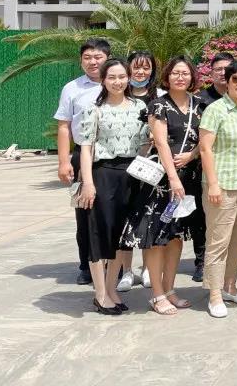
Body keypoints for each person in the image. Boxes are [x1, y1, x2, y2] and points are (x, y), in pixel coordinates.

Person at [120, 56, 203, 315]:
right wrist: (174, 177)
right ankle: (156, 294)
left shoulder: (200, 105)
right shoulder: (158, 105)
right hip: (162, 184)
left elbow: (209, 138)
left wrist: (192, 155)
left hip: (188, 179)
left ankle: (170, 289)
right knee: (156, 238)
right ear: (167, 77)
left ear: (192, 77)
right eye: (176, 73)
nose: (181, 77)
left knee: (176, 238)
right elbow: (161, 142)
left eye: (185, 73)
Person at [76, 59, 150, 315]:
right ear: (103, 80)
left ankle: (112, 288)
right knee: (99, 234)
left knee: (121, 236)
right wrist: (88, 183)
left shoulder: (140, 106)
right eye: (112, 77)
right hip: (103, 174)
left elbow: (144, 144)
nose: (118, 82)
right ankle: (99, 294)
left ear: (128, 78)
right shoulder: (93, 109)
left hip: (131, 176)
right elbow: (86, 148)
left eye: (122, 77)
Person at [198, 59, 237, 318]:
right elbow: (205, 148)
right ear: (227, 80)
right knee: (218, 241)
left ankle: (230, 286)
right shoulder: (215, 109)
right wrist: (212, 183)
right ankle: (214, 295)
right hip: (221, 184)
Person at [54, 37, 111, 285]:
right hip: (81, 156)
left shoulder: (119, 83)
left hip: (115, 158)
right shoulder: (72, 88)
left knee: (112, 213)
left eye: (97, 57)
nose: (92, 62)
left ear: (107, 58)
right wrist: (64, 162)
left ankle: (115, 266)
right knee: (84, 214)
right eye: (87, 57)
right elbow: (64, 127)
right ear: (81, 61)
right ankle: (85, 266)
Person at [117, 49, 162, 293]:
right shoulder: (119, 94)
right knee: (124, 218)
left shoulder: (159, 97)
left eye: (146, 67)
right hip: (124, 166)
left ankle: (147, 268)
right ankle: (126, 271)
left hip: (151, 167)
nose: (141, 72)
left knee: (148, 217)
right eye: (137, 67)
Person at [188, 52, 233, 281]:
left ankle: (232, 257)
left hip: (233, 167)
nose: (223, 74)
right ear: (211, 72)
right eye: (218, 69)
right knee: (203, 216)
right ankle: (202, 259)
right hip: (205, 167)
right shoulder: (201, 100)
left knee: (231, 215)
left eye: (228, 69)